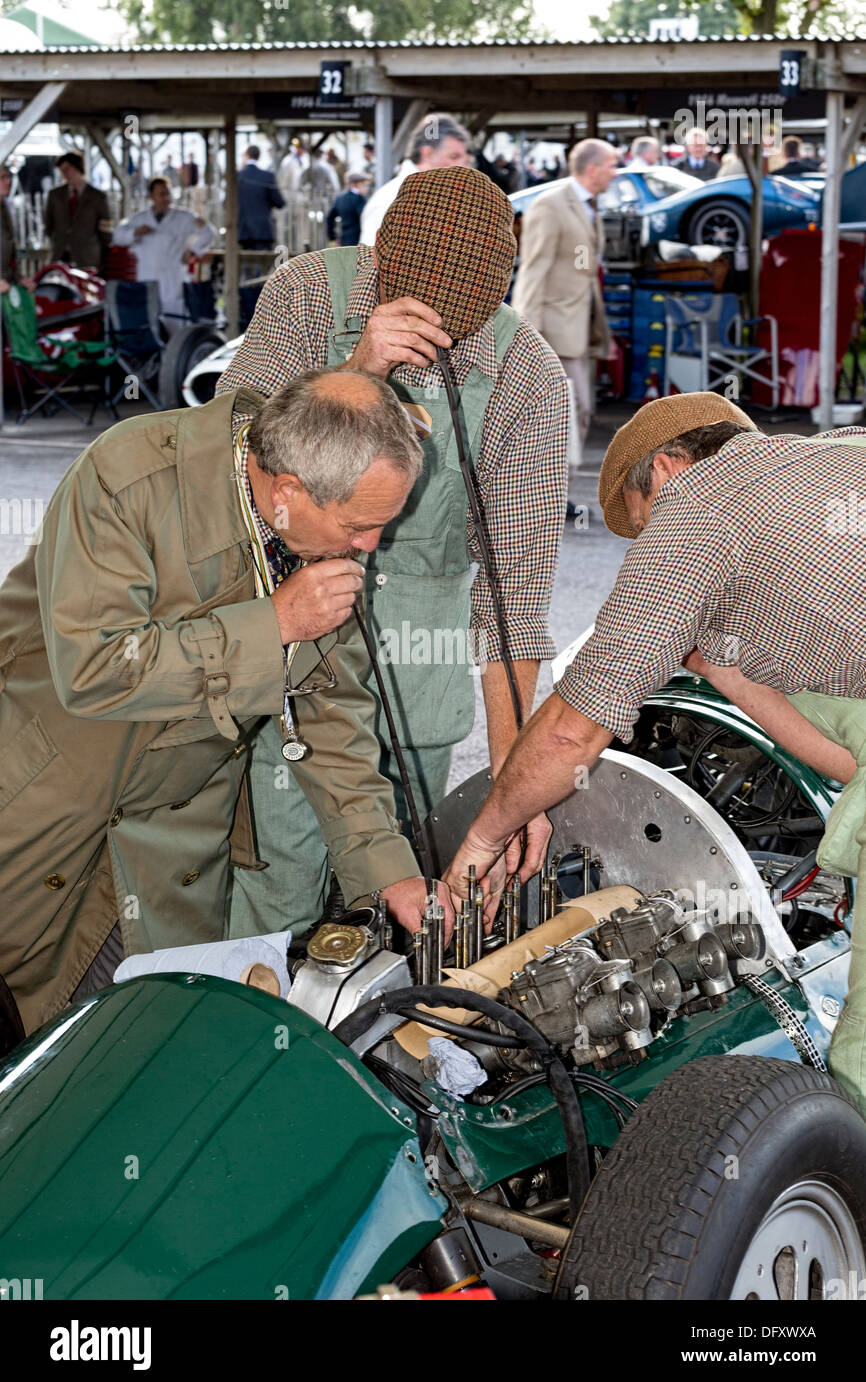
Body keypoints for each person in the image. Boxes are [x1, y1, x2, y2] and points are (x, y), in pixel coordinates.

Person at [0, 366, 454, 1036]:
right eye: (361, 525)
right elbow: (97, 665)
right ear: (290, 492)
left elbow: (332, 718)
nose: (370, 546)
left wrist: (388, 872)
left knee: (123, 1054)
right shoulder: (127, 479)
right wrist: (272, 626)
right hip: (38, 807)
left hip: (173, 848)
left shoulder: (316, 543)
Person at [444, 391, 866, 1109]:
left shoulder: (696, 506)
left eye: (642, 529)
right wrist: (727, 674)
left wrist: (486, 834)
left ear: (666, 472)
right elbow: (854, 762)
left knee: (858, 1063)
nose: (650, 547)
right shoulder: (834, 454)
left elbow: (576, 726)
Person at [216, 165, 569, 938]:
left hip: (417, 685)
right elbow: (224, 462)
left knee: (396, 909)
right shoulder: (307, 293)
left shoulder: (527, 380)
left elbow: (512, 608)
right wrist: (356, 373)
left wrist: (514, 792)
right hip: (290, 662)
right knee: (274, 898)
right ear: (378, 255)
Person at [513, 138, 617, 464]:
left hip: (578, 331)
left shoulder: (588, 207)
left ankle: (562, 489)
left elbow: (582, 267)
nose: (616, 173)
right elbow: (534, 269)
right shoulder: (551, 205)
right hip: (554, 331)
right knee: (573, 410)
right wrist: (527, 334)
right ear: (592, 169)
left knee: (578, 411)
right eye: (612, 165)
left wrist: (598, 328)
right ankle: (557, 490)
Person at [112, 176, 215, 330]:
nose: (166, 198)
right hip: (147, 277)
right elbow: (117, 237)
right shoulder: (140, 219)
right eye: (161, 194)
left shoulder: (184, 217)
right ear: (151, 197)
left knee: (176, 320)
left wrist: (193, 252)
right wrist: (136, 232)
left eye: (167, 193)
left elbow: (208, 233)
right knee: (149, 322)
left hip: (173, 276)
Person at [360, 112, 473, 246]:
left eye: (465, 160)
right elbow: (369, 261)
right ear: (428, 153)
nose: (463, 167)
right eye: (454, 157)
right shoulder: (390, 199)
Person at [44, 150, 112, 269]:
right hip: (60, 255)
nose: (64, 173)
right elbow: (49, 225)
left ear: (78, 167)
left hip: (87, 258)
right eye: (62, 170)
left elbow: (105, 231)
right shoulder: (54, 195)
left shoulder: (97, 197)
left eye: (67, 169)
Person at [237, 144, 285, 250]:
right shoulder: (267, 176)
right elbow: (279, 202)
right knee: (263, 263)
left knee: (245, 263)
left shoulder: (238, 176)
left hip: (244, 230)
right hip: (264, 229)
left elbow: (226, 203)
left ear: (246, 156)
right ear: (258, 156)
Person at [326, 173, 370, 246]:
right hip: (358, 240)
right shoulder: (359, 199)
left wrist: (332, 238)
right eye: (363, 184)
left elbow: (329, 218)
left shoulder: (340, 198)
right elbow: (364, 218)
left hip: (343, 239)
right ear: (353, 185)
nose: (366, 188)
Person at [0, 165, 17, 292]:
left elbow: (11, 248)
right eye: (2, 177)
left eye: (8, 177)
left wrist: (18, 277)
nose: (8, 181)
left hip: (7, 284)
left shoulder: (6, 206)